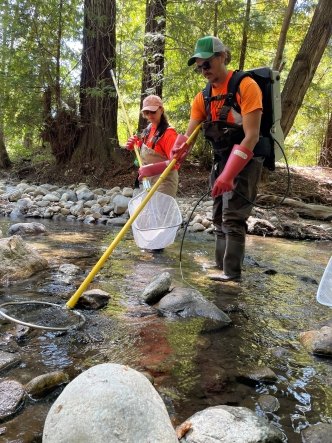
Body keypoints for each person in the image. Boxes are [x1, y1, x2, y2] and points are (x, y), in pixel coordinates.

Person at [172, 36, 264, 282]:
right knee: (217, 217)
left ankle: (231, 275)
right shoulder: (202, 97)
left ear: (222, 56)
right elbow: (189, 135)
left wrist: (229, 175)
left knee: (234, 217)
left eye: (208, 64)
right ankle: (219, 269)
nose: (204, 71)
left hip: (245, 160)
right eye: (199, 66)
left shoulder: (246, 86)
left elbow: (252, 136)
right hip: (220, 160)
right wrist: (178, 149)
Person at [125, 95, 181, 197]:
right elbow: (146, 149)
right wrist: (134, 144)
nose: (150, 115)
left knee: (160, 212)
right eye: (147, 112)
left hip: (164, 183)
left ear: (161, 110)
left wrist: (151, 169)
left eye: (153, 111)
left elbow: (175, 162)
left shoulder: (169, 133)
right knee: (147, 211)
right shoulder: (149, 129)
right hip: (147, 181)